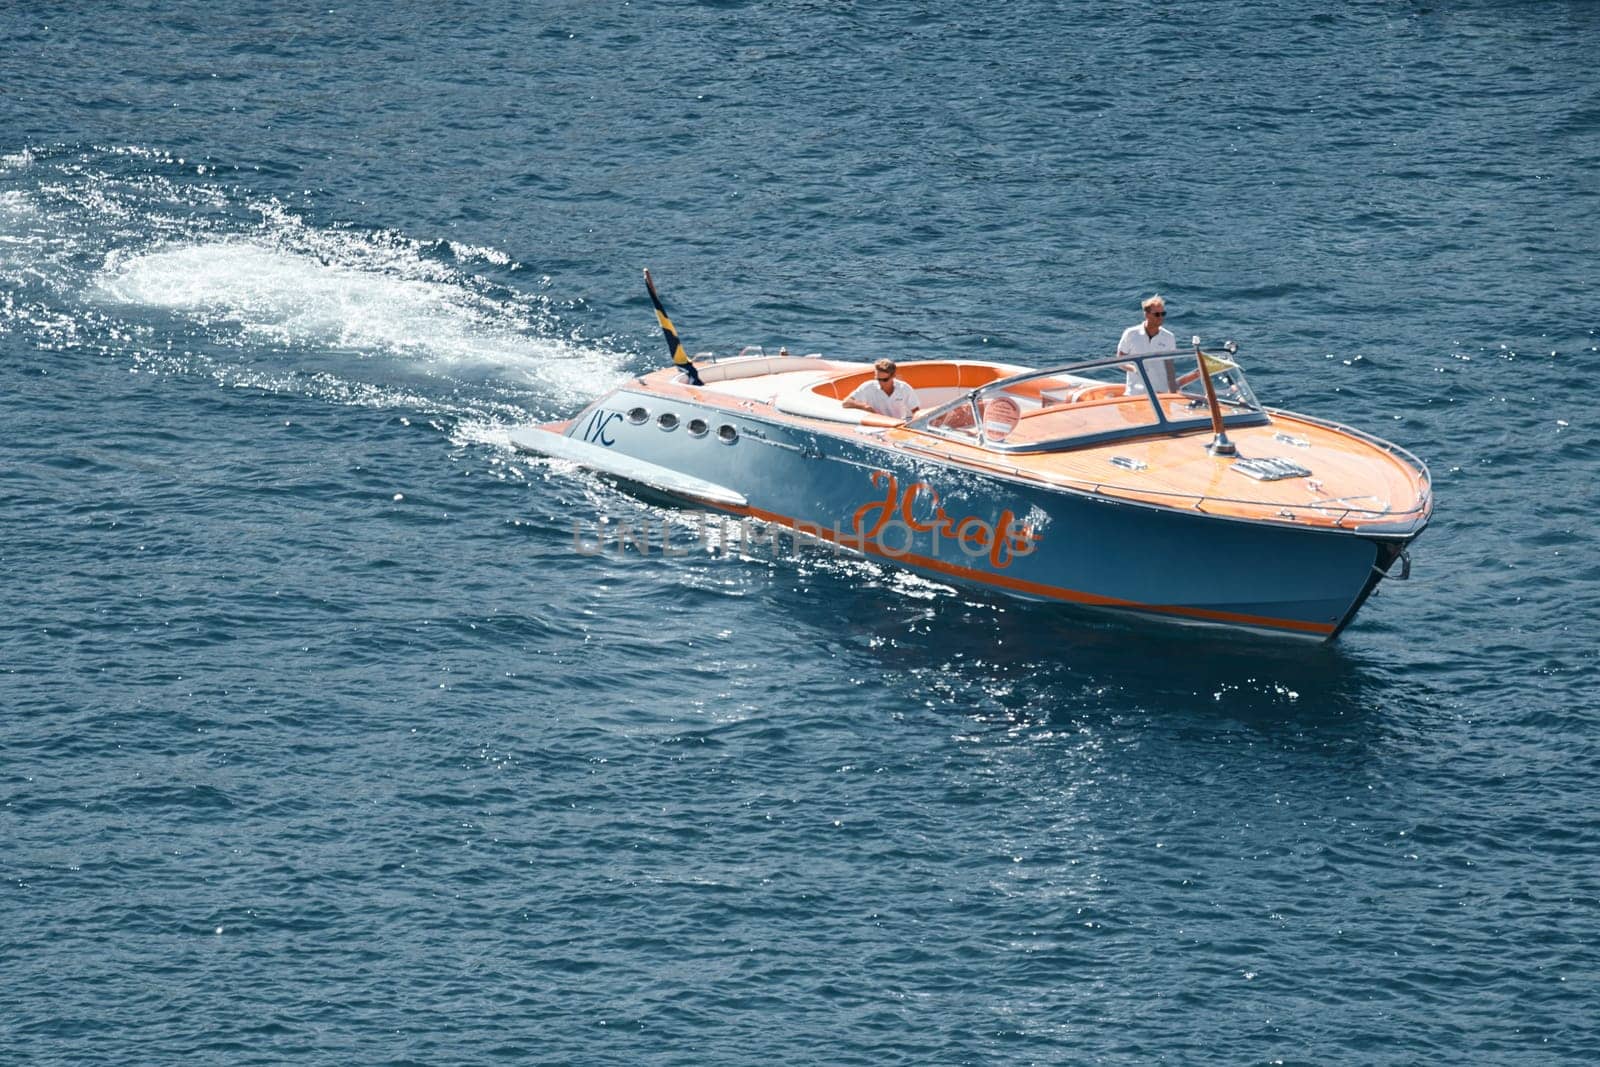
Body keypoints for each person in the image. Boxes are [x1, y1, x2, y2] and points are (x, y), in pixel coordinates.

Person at [1116, 294, 1178, 394]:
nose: (1161, 317)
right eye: (1157, 314)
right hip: (1135, 392)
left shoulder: (1169, 337)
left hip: (1160, 392)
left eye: (1163, 314)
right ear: (1146, 314)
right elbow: (1119, 360)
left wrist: (1173, 394)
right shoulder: (1131, 334)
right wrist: (1134, 368)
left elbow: (1170, 368)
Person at [843, 358, 920, 419]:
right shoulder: (868, 387)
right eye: (878, 379)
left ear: (893, 376)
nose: (881, 382)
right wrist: (865, 407)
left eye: (884, 380)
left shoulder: (904, 388)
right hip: (876, 426)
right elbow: (846, 402)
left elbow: (916, 411)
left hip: (898, 426)